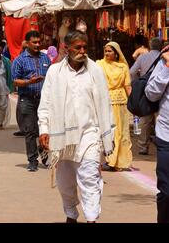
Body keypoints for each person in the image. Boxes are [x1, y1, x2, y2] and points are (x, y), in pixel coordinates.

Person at [38, 30, 115, 223]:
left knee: (89, 178)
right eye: (77, 47)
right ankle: (71, 214)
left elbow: (105, 103)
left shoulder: (95, 71)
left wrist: (108, 134)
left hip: (90, 135)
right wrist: (44, 129)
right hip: (62, 137)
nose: (82, 51)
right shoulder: (54, 72)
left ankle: (91, 219)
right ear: (66, 48)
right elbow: (45, 103)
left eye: (85, 47)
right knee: (65, 183)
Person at [11, 30, 52, 172]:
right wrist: (29, 81)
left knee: (44, 129)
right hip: (27, 100)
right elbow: (15, 81)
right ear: (27, 43)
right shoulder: (19, 60)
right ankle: (32, 160)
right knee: (30, 131)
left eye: (39, 42)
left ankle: (45, 158)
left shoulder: (46, 59)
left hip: (44, 101)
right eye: (34, 42)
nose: (37, 44)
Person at [97, 42, 132, 172]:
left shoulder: (123, 67)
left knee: (121, 132)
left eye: (110, 51)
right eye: (105, 51)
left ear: (116, 53)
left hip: (121, 102)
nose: (107, 53)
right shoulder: (99, 65)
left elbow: (127, 86)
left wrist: (134, 103)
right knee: (108, 131)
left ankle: (120, 162)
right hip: (105, 101)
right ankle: (109, 160)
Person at [145, 45, 169, 223]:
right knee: (167, 191)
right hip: (167, 135)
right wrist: (167, 68)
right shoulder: (165, 60)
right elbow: (151, 94)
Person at [129, 37, 162, 155]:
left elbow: (132, 72)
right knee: (160, 119)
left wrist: (137, 82)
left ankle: (143, 146)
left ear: (150, 45)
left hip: (146, 90)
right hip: (162, 91)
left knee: (145, 120)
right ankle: (161, 145)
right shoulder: (164, 57)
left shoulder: (143, 57)